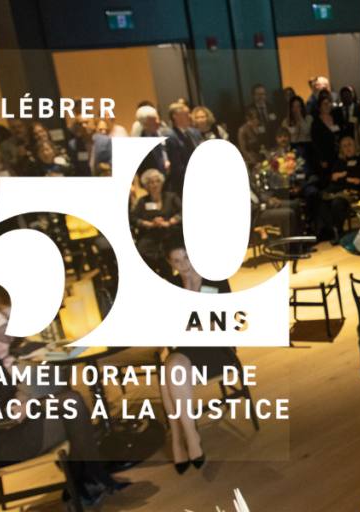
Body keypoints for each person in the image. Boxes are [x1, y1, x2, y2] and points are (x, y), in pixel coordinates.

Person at [0, 303, 130, 506]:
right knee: (73, 410)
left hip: (10, 428)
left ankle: (86, 480)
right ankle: (87, 480)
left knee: (72, 403)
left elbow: (8, 393)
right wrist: (25, 407)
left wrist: (19, 397)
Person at [157, 234, 235, 473]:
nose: (184, 264)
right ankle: (188, 439)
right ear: (170, 264)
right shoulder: (171, 286)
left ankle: (182, 439)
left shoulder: (214, 279)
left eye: (187, 257)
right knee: (169, 370)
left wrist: (190, 327)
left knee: (168, 374)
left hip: (217, 349)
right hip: (186, 350)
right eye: (177, 261)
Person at [131, 169, 182, 277]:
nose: (155, 184)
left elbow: (183, 211)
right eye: (151, 182)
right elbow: (133, 218)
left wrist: (169, 222)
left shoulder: (171, 197)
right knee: (142, 250)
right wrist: (150, 224)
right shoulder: (143, 201)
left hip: (170, 232)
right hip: (150, 235)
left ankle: (171, 276)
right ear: (145, 185)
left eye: (157, 181)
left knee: (168, 251)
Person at [320, 136, 360, 243]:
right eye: (344, 146)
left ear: (354, 145)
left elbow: (358, 180)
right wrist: (348, 178)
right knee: (320, 200)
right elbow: (333, 179)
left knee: (336, 203)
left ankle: (339, 231)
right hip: (338, 191)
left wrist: (341, 176)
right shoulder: (340, 161)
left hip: (355, 192)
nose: (347, 148)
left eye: (349, 145)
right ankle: (333, 228)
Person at [163, 102, 203, 196]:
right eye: (186, 113)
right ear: (175, 117)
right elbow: (177, 165)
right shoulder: (171, 136)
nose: (190, 116)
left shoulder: (195, 132)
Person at [68, 114, 112, 178]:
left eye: (86, 122)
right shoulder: (74, 144)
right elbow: (74, 167)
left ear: (93, 125)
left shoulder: (105, 141)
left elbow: (111, 161)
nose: (83, 126)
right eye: (80, 124)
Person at [311, 96, 343, 173]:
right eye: (324, 104)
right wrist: (322, 159)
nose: (327, 106)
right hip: (326, 157)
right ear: (319, 107)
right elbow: (316, 143)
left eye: (328, 103)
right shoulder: (316, 123)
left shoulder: (336, 118)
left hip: (339, 154)